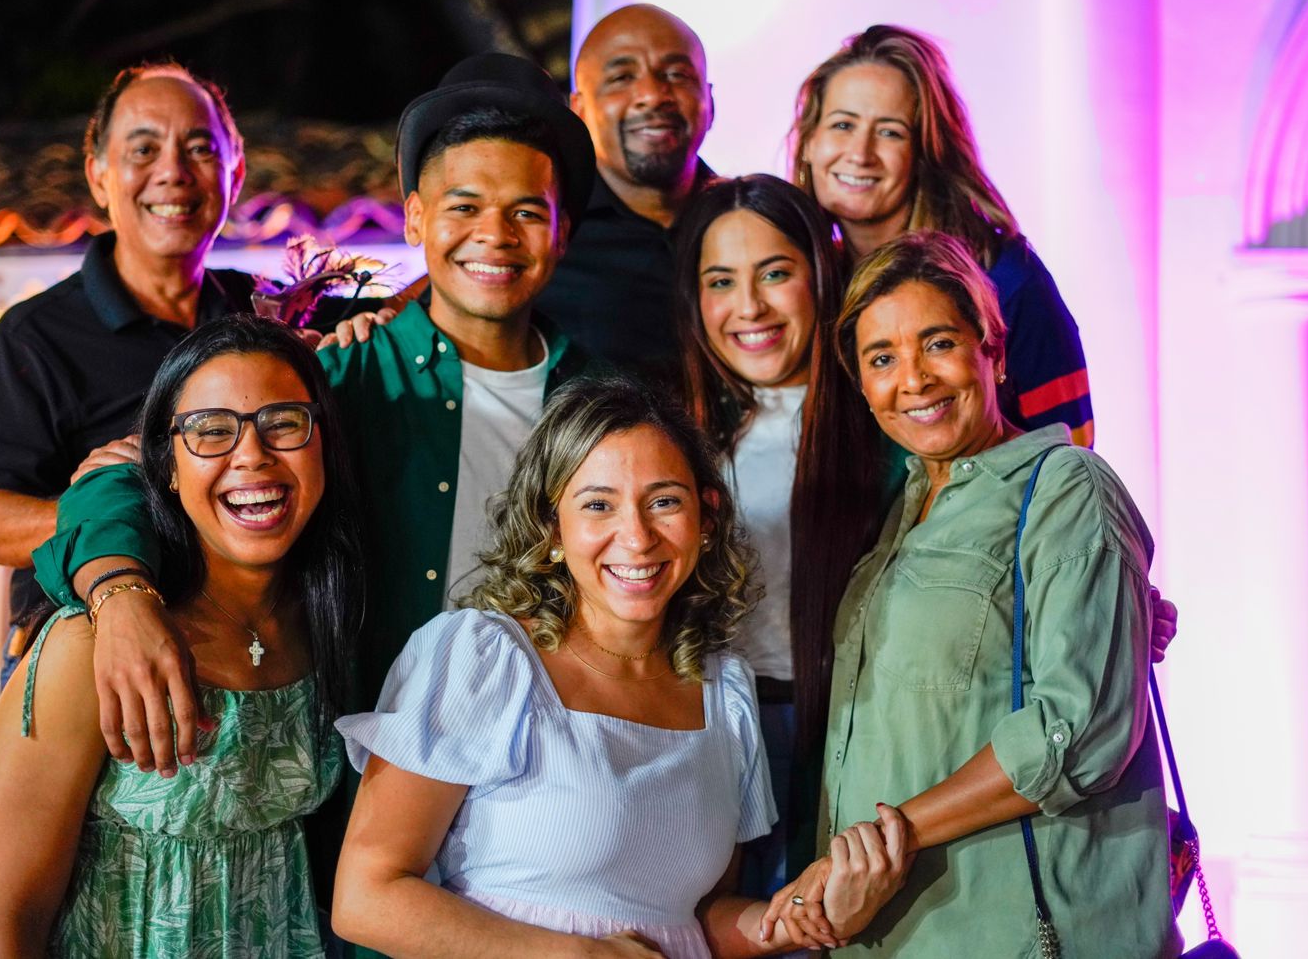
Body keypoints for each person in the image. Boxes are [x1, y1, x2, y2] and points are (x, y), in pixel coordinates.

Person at [32, 51, 595, 782]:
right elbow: (127, 477)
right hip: (365, 784)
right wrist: (121, 597)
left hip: (548, 780)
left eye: (527, 212)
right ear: (417, 218)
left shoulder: (596, 402)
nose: (495, 235)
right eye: (463, 207)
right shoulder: (344, 374)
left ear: (563, 234)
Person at [330, 374, 908, 959]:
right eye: (598, 505)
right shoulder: (481, 657)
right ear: (552, 526)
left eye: (663, 501)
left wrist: (805, 918)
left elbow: (691, 917)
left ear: (705, 518)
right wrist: (581, 955)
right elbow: (367, 898)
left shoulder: (723, 689)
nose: (636, 536)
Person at [765, 232, 1178, 957]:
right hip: (896, 933)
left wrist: (879, 845)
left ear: (994, 350)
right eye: (882, 358)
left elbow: (1078, 731)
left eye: (938, 343)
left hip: (1019, 934)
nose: (913, 379)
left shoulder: (1067, 486)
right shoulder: (907, 507)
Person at [0, 314, 363, 957]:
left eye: (283, 423)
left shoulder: (329, 623)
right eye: (211, 432)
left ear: (324, 445)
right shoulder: (91, 644)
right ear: (168, 468)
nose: (252, 455)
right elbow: (6, 921)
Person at [0, 62, 252, 685]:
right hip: (84, 660)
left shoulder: (265, 318)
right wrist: (118, 510)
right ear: (99, 176)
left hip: (242, 655)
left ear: (235, 174)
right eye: (143, 149)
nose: (173, 171)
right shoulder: (35, 337)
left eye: (200, 149)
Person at [672, 174, 885, 897]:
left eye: (774, 274)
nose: (750, 306)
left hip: (854, 732)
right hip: (712, 731)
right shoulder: (680, 432)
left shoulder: (883, 418)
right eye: (721, 281)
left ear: (819, 276)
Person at [789, 25, 1095, 445]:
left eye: (890, 132)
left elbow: (1070, 451)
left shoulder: (1007, 277)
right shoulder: (804, 286)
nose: (860, 153)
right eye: (843, 125)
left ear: (928, 148)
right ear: (808, 142)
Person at [534, 3, 718, 372]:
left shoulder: (751, 224)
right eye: (621, 78)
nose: (652, 94)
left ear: (709, 102)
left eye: (677, 74)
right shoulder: (545, 237)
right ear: (580, 111)